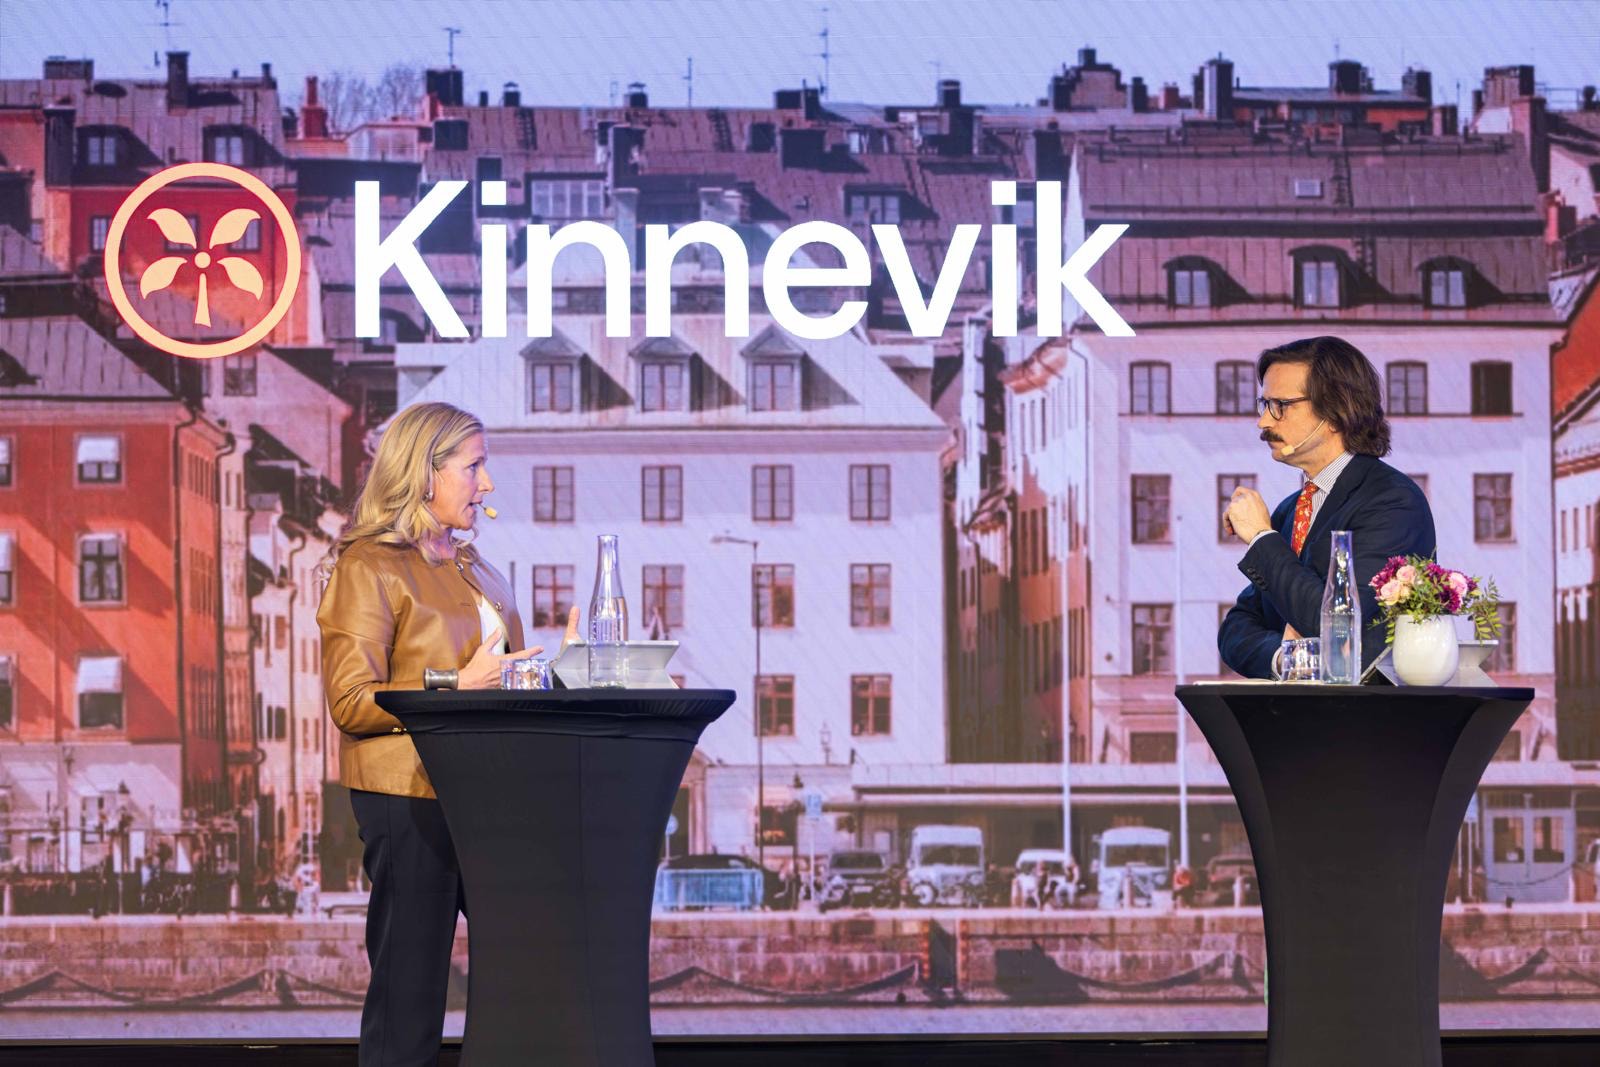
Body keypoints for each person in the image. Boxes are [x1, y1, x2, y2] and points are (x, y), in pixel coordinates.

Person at [317, 401, 578, 1066]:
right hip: (409, 799)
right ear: (424, 471)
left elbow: (504, 680)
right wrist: (453, 685)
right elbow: (350, 701)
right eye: (473, 467)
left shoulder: (478, 568)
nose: (486, 484)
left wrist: (565, 670)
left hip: (492, 798)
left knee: (524, 980)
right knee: (410, 994)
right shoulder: (368, 566)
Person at [1219, 336, 1436, 679]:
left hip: (1362, 711)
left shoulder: (1392, 501)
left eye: (1281, 405)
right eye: (1265, 404)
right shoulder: (1291, 509)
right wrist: (1288, 658)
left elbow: (1344, 631)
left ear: (1335, 413)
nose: (1264, 422)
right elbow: (1235, 629)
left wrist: (1261, 537)